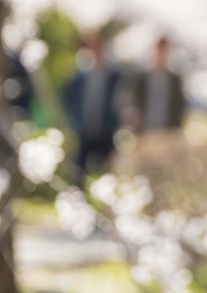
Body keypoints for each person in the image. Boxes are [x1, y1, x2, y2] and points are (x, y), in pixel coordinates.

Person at [64, 33, 121, 182]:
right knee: (78, 174)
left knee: (108, 175)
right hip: (84, 130)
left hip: (106, 130)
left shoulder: (114, 76)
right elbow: (70, 100)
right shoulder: (80, 77)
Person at [130, 37, 185, 133]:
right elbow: (135, 103)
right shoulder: (143, 79)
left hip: (167, 132)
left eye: (164, 50)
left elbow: (179, 107)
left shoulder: (175, 80)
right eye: (159, 50)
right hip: (145, 130)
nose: (161, 53)